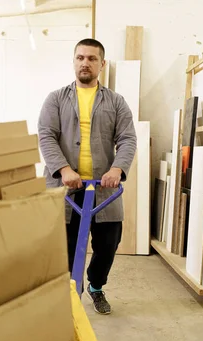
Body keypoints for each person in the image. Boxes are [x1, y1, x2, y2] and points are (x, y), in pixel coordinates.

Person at [37, 38, 137, 315]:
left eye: (92, 58)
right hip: (66, 187)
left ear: (102, 64)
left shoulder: (116, 102)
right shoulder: (56, 99)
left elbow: (127, 139)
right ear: (74, 61)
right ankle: (69, 293)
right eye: (80, 57)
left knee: (108, 242)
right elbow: (46, 136)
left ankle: (95, 286)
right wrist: (64, 170)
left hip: (104, 187)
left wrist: (117, 169)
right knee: (66, 245)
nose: (85, 63)